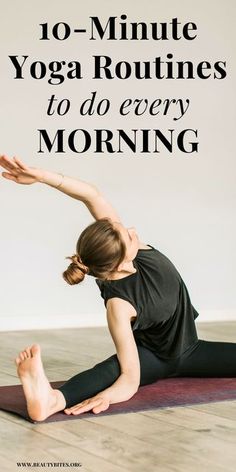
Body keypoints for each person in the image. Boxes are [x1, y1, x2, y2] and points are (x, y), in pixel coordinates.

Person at [1, 154, 236, 422]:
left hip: (192, 349)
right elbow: (130, 377)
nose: (133, 230)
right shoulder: (118, 306)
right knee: (111, 370)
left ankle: (50, 398)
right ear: (121, 262)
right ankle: (51, 400)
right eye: (128, 236)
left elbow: (92, 195)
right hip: (152, 359)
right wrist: (110, 395)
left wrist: (41, 176)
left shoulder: (125, 250)